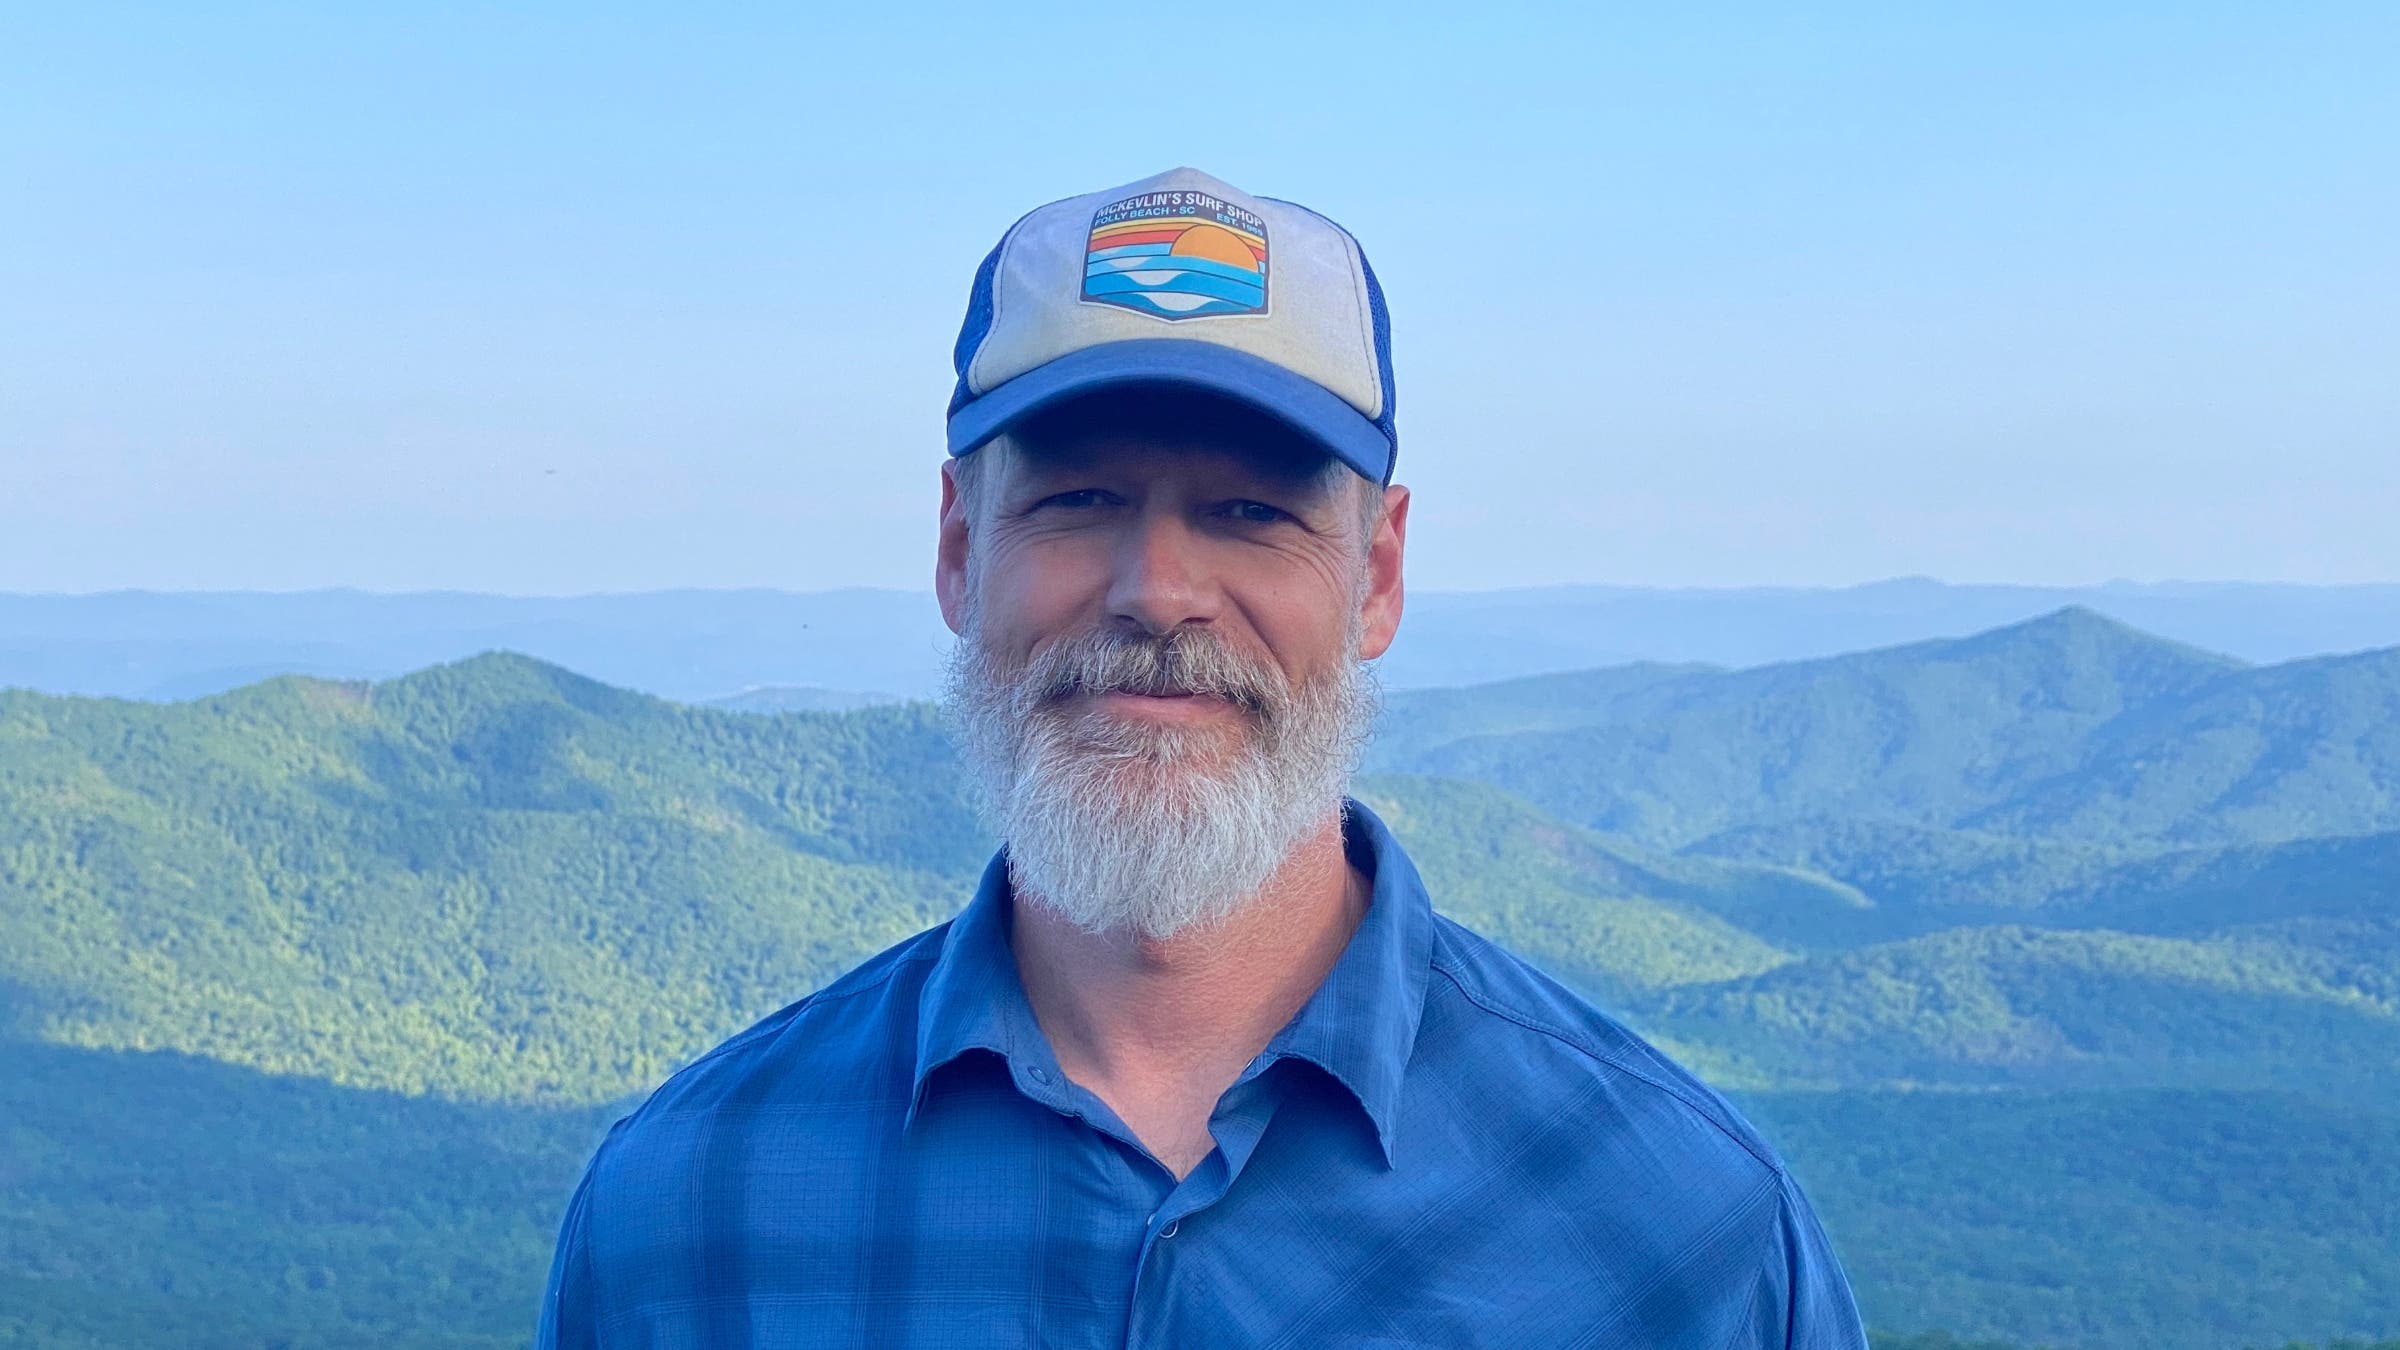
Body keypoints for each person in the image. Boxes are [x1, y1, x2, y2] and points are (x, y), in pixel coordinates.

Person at [537, 167, 1869, 1348]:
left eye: (1248, 512)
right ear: (958, 551)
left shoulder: (1683, 1239)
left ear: (1379, 575)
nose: (1158, 590)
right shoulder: (685, 1216)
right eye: (1079, 500)